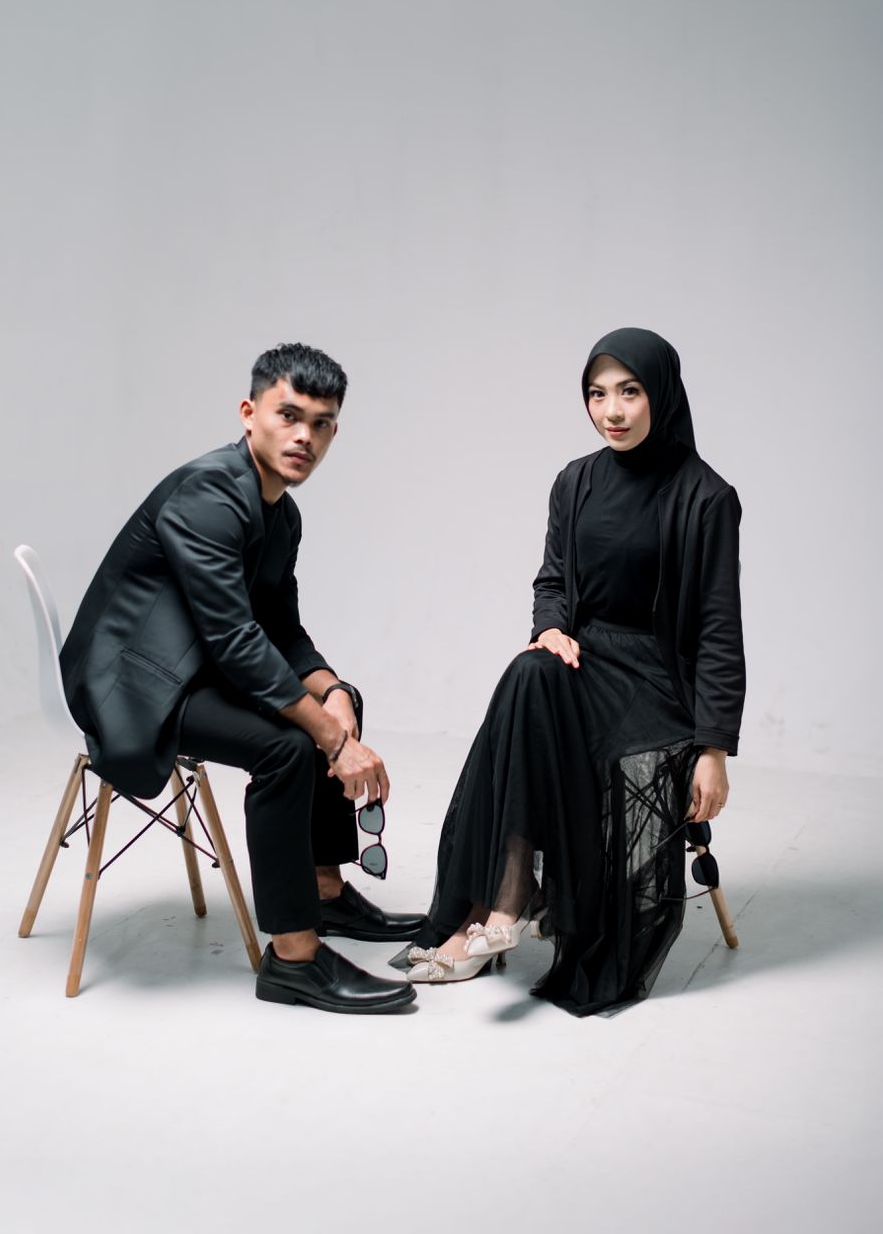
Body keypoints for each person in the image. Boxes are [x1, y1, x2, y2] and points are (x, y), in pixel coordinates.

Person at [60, 342, 423, 1015]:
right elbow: (234, 638)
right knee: (288, 747)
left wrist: (333, 693)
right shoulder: (209, 493)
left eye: (320, 424)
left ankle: (324, 893)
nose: (304, 436)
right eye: (289, 416)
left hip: (191, 668)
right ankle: (294, 961)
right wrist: (334, 741)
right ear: (249, 413)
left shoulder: (281, 512)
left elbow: (280, 627)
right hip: (133, 688)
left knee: (335, 705)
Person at [400, 327, 745, 1016]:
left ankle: (497, 907)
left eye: (629, 392)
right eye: (597, 394)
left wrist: (713, 748)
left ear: (662, 395)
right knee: (529, 673)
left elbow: (718, 627)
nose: (611, 411)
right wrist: (551, 628)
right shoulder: (576, 481)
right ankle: (507, 903)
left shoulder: (706, 497)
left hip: (655, 680)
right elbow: (553, 579)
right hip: (585, 657)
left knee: (530, 696)